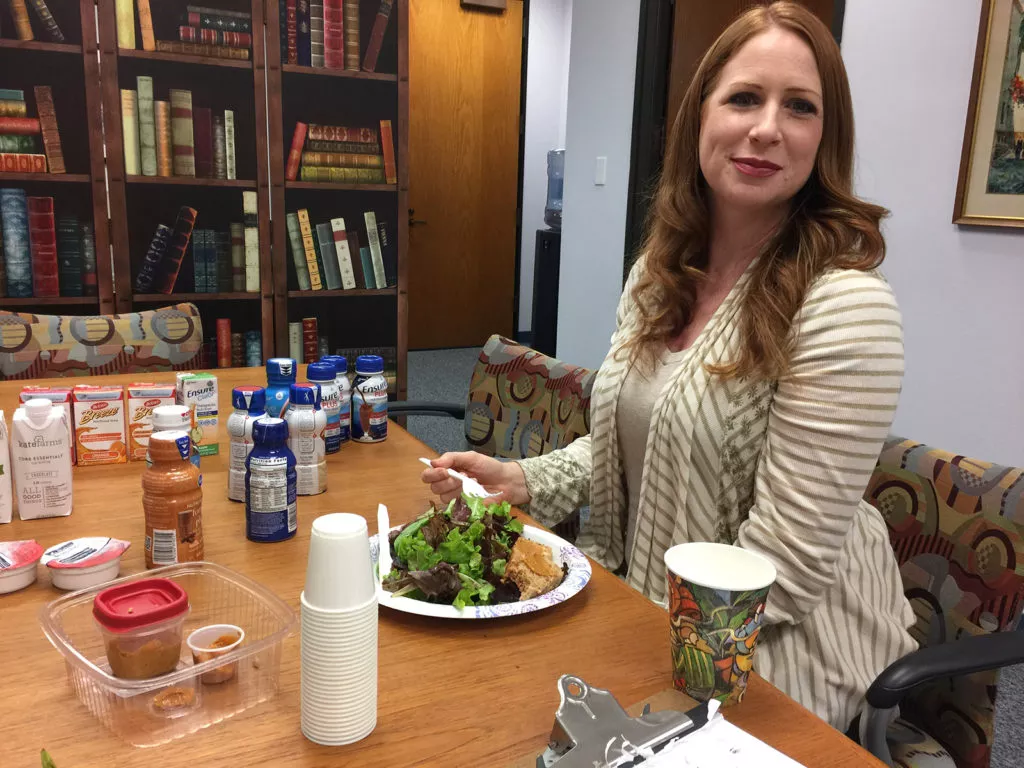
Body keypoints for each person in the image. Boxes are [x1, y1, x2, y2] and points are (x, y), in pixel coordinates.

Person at [421, 1, 915, 732]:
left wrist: (618, 646)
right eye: (744, 97)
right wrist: (526, 480)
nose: (766, 128)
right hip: (644, 611)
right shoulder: (660, 271)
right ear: (700, 117)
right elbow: (637, 442)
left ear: (824, 137)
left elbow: (785, 570)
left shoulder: (846, 307)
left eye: (800, 107)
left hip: (773, 654)